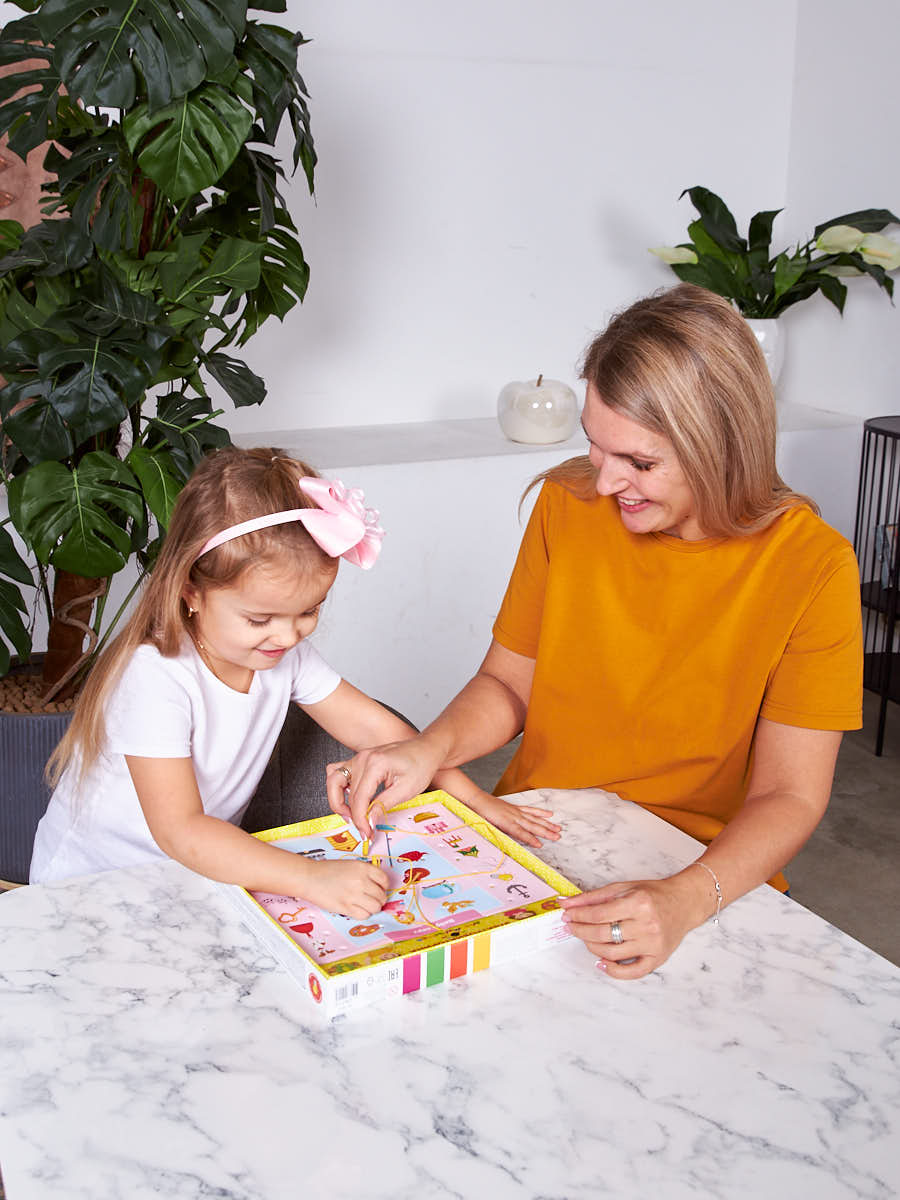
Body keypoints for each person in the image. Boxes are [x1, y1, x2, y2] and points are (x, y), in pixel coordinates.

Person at [330, 284, 863, 977]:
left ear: (721, 447)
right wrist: (427, 750)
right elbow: (507, 684)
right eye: (594, 444)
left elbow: (789, 795)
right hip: (536, 834)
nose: (606, 483)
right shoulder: (566, 503)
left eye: (640, 463)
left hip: (700, 865)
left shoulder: (813, 566)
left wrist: (686, 898)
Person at [30, 447, 558, 910]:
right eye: (259, 618)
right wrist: (311, 878)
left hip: (192, 875)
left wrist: (475, 800)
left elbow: (386, 736)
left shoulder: (283, 655)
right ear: (191, 592)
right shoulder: (155, 677)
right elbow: (181, 830)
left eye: (309, 611)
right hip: (89, 888)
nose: (287, 636)